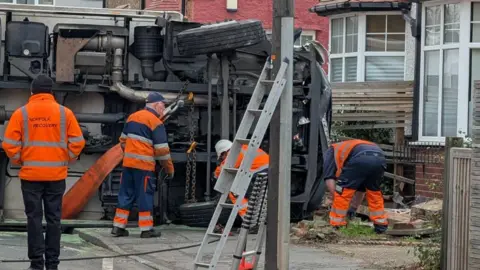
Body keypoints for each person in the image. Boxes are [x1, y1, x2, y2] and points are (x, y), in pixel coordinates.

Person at [2, 74, 86, 270]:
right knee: (54, 219)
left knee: (34, 219)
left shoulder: (21, 114)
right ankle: (53, 264)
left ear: (32, 91)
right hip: (56, 176)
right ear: (50, 92)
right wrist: (66, 159)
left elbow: (9, 144)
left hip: (31, 176)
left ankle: (36, 264)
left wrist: (19, 160)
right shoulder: (65, 113)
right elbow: (78, 142)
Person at [111, 92, 174, 238]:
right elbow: (162, 150)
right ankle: (146, 229)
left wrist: (131, 154)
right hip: (144, 166)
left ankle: (118, 227)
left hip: (128, 165)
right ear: (157, 105)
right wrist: (169, 168)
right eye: (163, 105)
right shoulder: (155, 122)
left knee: (125, 194)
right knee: (145, 195)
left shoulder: (133, 117)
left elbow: (122, 141)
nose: (163, 108)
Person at [323, 139, 388, 234]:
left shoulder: (331, 150)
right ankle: (381, 226)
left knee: (343, 191)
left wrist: (335, 197)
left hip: (360, 158)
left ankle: (337, 225)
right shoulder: (349, 146)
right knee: (374, 193)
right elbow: (361, 190)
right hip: (379, 158)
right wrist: (353, 208)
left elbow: (329, 178)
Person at [213, 140, 269, 222]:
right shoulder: (246, 147)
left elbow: (223, 171)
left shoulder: (233, 154)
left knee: (234, 191)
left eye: (222, 157)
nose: (222, 159)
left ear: (224, 153)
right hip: (267, 173)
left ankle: (249, 221)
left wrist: (214, 175)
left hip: (259, 175)